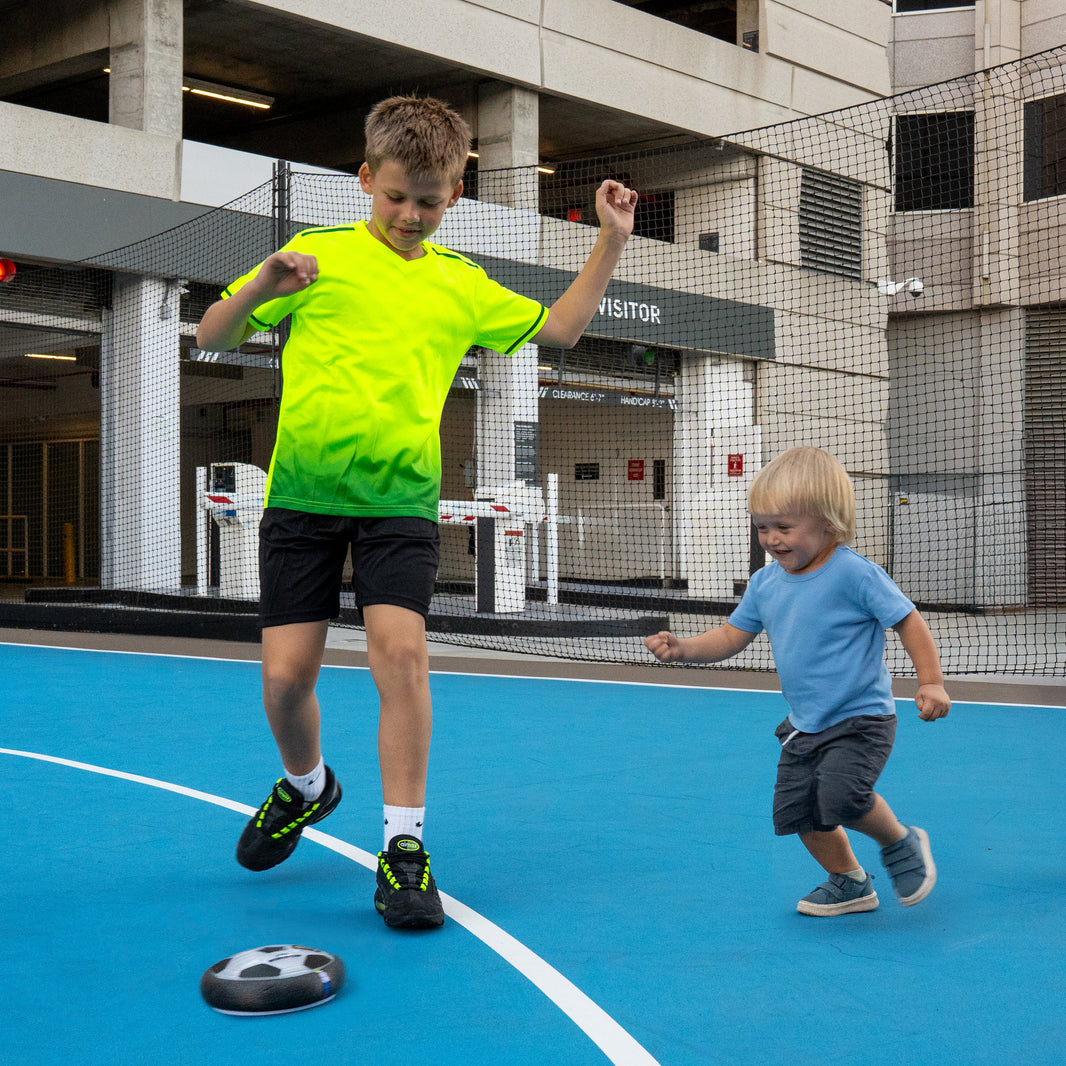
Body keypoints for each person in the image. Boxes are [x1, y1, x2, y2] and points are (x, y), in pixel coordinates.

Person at [196, 95, 638, 930]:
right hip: (301, 503)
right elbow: (211, 337)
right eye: (397, 195)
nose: (410, 214)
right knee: (286, 682)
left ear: (454, 198)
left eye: (429, 200)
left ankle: (403, 848)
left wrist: (610, 240)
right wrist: (264, 282)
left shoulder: (459, 285)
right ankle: (307, 787)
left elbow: (564, 332)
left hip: (400, 505)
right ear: (367, 180)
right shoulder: (312, 260)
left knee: (401, 657)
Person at [644, 446, 950, 917]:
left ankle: (900, 841)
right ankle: (850, 883)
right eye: (762, 526)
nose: (771, 538)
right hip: (805, 724)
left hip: (861, 719)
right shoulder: (765, 583)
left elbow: (908, 621)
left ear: (828, 523)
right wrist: (684, 648)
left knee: (843, 798)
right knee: (803, 813)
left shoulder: (854, 573)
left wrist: (930, 682)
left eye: (784, 528)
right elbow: (730, 635)